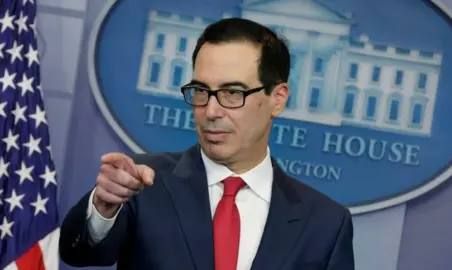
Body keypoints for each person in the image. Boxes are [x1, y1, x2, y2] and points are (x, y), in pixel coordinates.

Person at [59, 17, 355, 270]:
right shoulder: (143, 183)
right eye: (201, 91)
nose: (211, 111)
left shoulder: (325, 224)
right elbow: (79, 252)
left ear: (277, 99)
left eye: (232, 93)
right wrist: (102, 208)